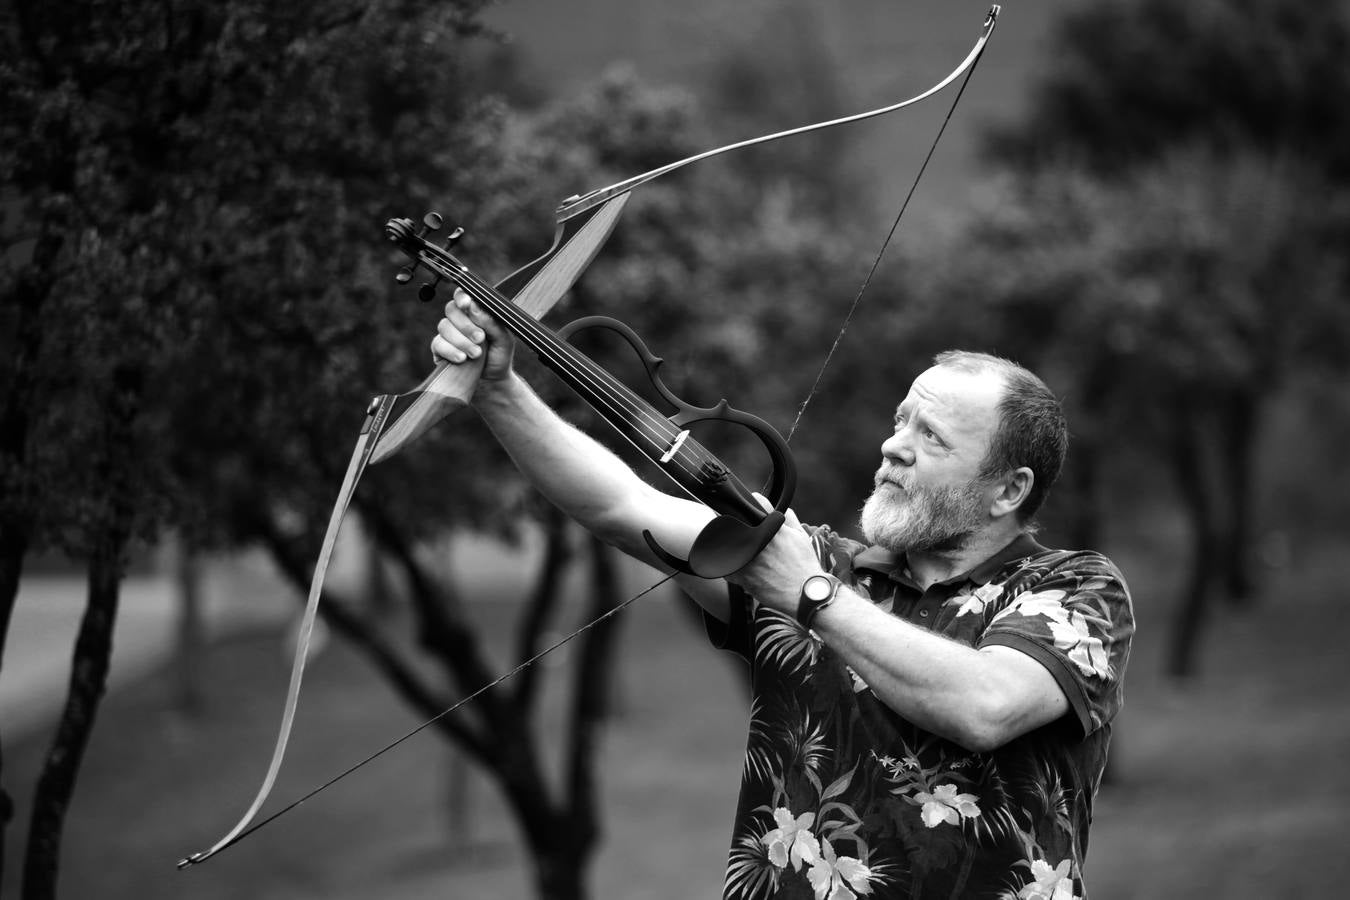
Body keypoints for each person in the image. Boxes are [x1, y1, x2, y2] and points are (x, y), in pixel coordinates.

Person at [432, 288, 1133, 900]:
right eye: (900, 422)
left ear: (1008, 490)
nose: (894, 446)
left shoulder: (1076, 590)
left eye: (932, 437)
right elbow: (619, 506)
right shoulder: (809, 563)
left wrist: (812, 595)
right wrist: (498, 391)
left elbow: (986, 706)